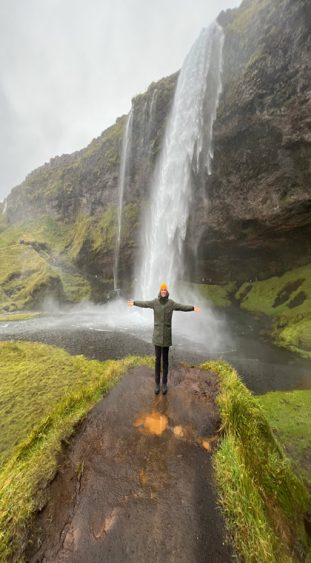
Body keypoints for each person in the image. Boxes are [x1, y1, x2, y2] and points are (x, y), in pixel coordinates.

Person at [128, 283, 200, 395]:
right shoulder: (155, 302)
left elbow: (181, 307)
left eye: (165, 290)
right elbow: (145, 303)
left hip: (166, 336)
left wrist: (192, 308)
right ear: (160, 291)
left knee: (165, 361)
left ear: (167, 291)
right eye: (162, 290)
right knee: (157, 361)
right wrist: (134, 303)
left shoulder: (171, 303)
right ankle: (157, 384)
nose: (163, 291)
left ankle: (164, 384)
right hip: (157, 336)